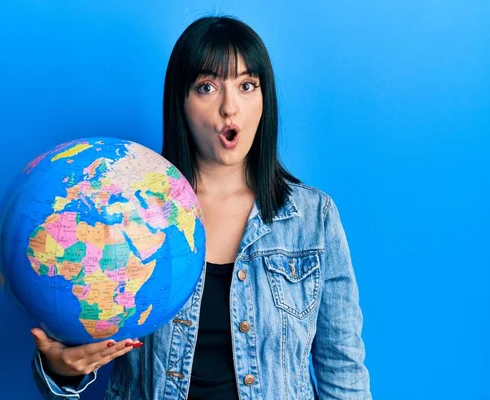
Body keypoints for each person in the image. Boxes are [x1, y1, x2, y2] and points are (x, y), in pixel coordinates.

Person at [30, 16, 372, 400]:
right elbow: (73, 335)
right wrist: (62, 370)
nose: (230, 107)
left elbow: (343, 369)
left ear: (265, 99)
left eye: (246, 86)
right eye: (207, 87)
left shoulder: (313, 218)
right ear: (181, 101)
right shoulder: (123, 210)